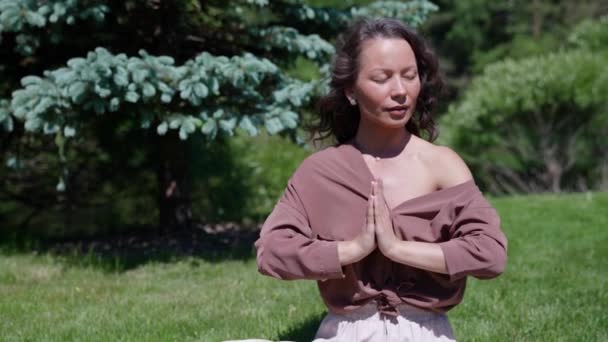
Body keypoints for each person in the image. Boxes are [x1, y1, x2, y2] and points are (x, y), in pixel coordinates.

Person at [254, 17, 508, 341]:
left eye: (409, 76)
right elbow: (271, 252)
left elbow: (490, 254)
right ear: (350, 90)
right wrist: (352, 249)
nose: (400, 91)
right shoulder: (321, 172)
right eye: (382, 78)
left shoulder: (443, 165)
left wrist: (396, 248)